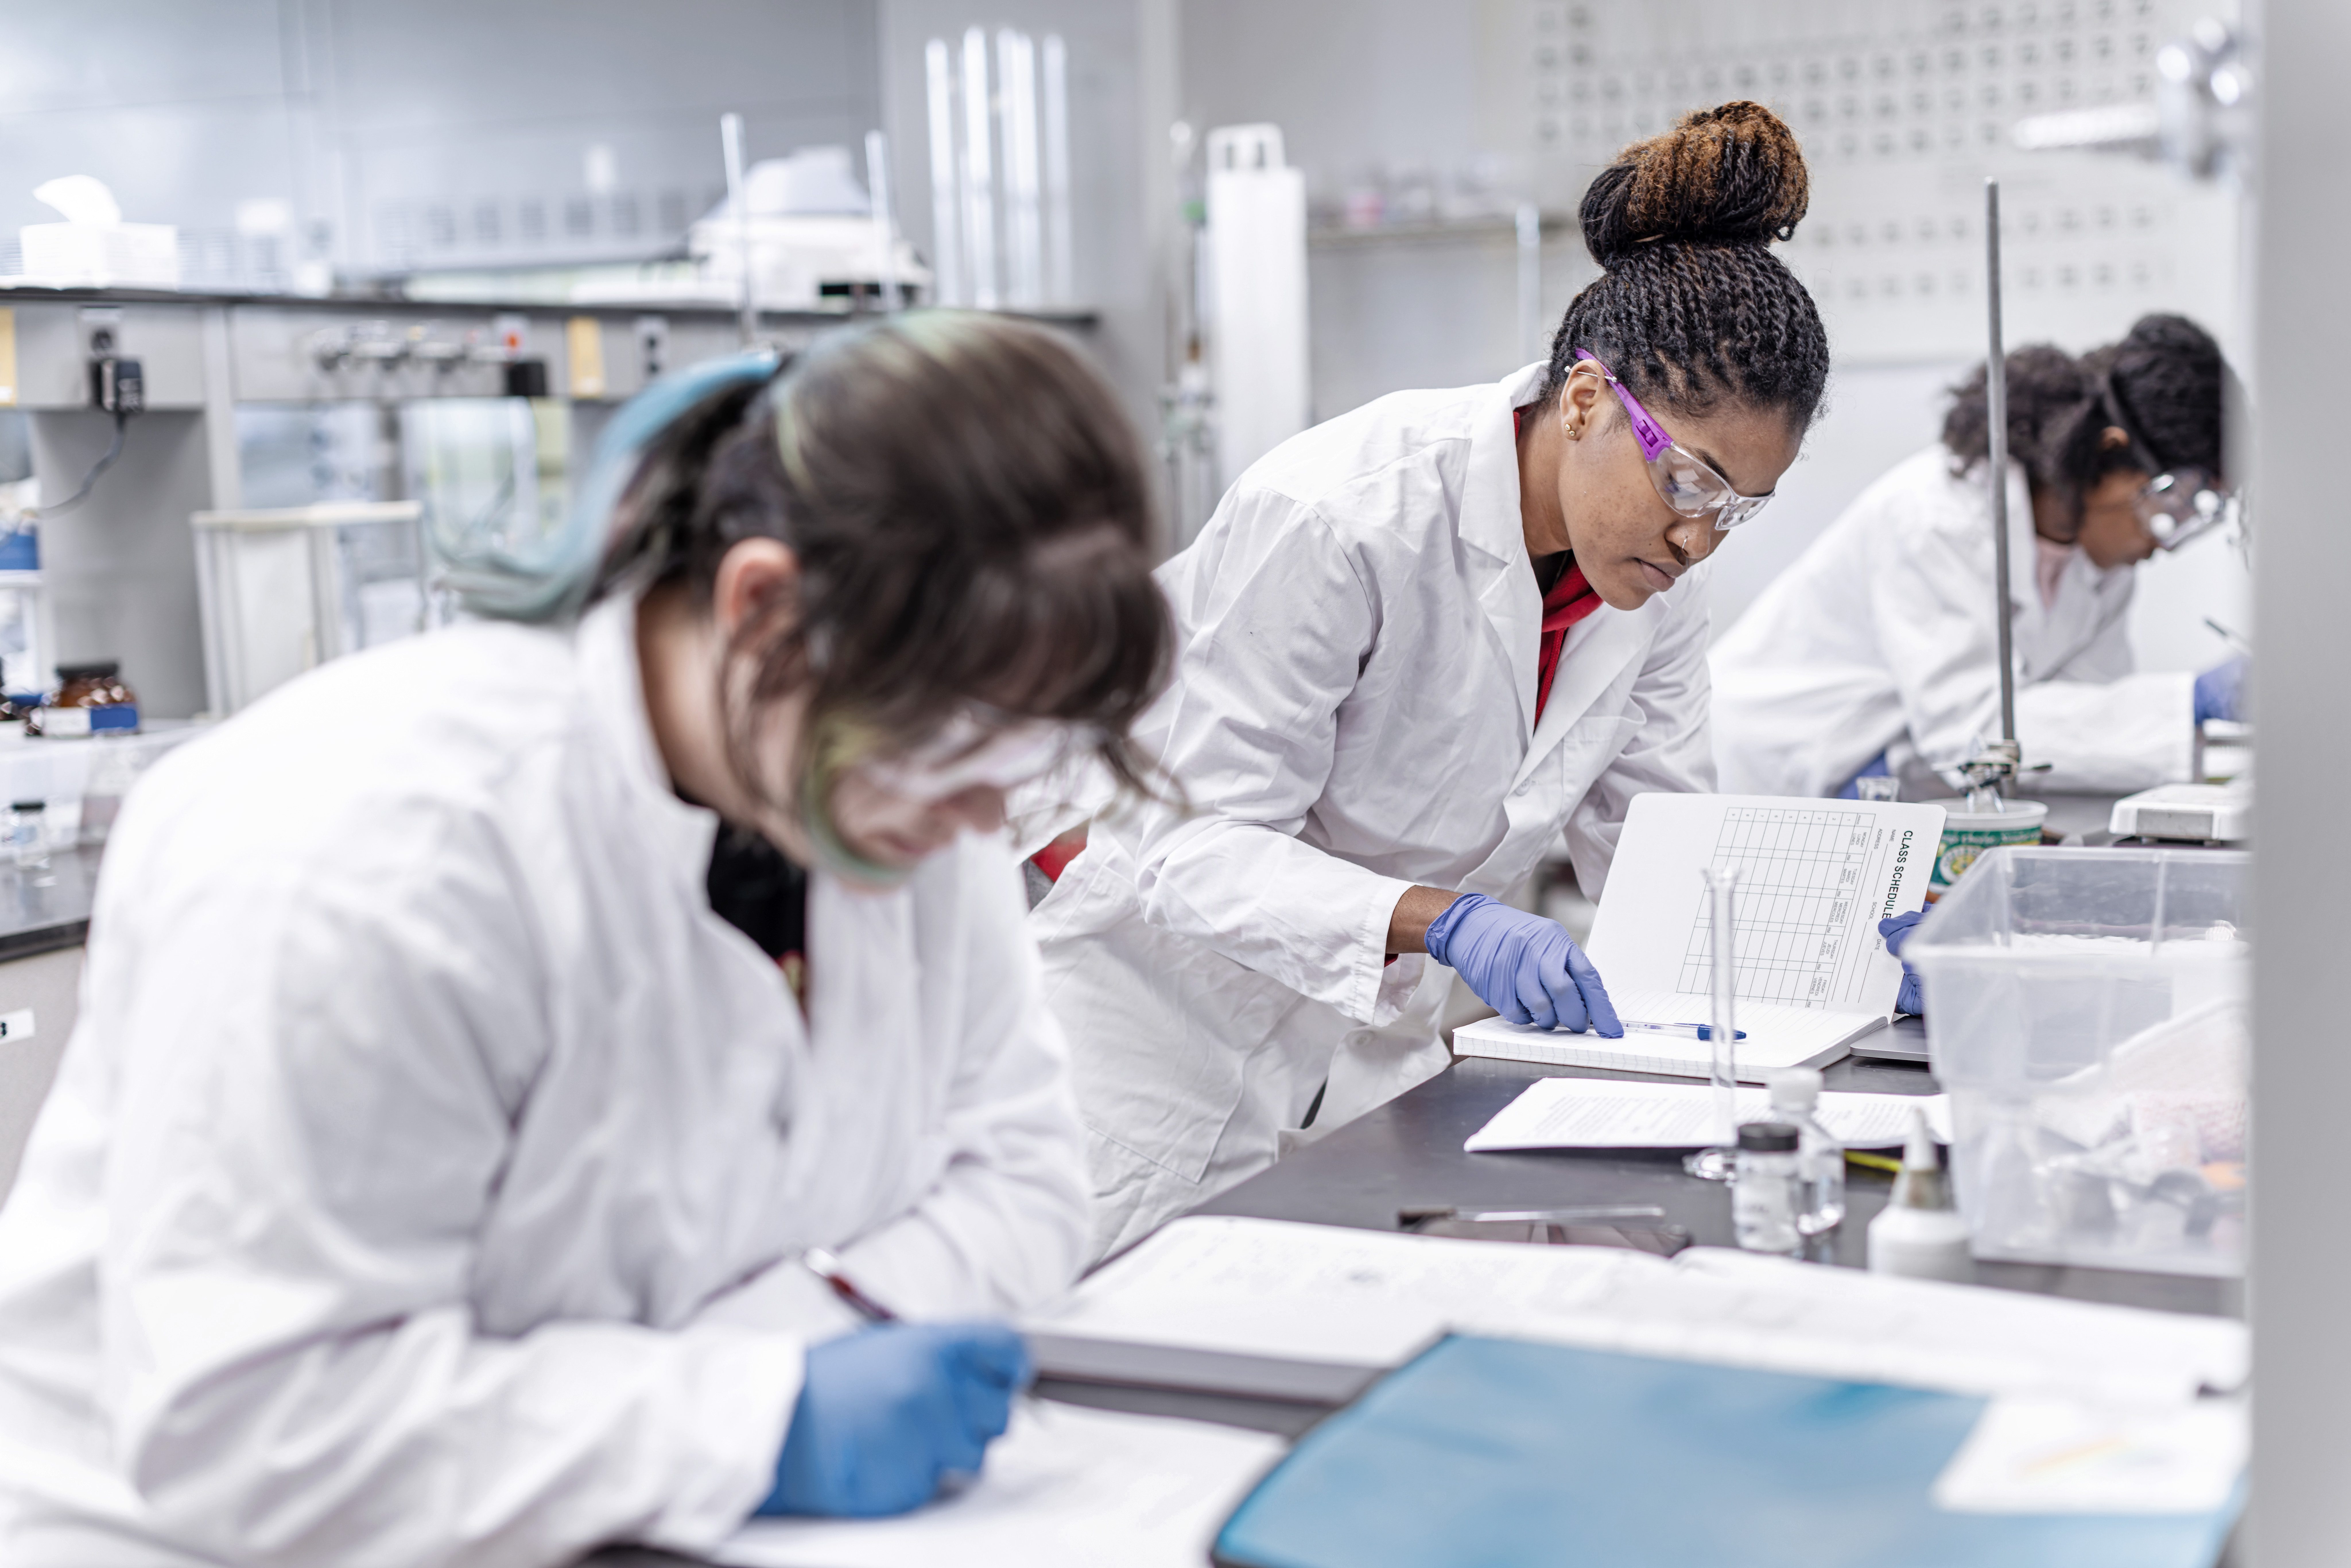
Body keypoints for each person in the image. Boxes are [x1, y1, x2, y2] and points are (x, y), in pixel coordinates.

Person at [0, 314, 1171, 1565]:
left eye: (1029, 749)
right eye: (965, 738)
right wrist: (748, 1415)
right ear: (765, 610)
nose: (990, 816)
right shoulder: (367, 852)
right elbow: (262, 1429)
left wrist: (748, 1365)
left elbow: (1025, 1181)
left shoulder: (890, 790)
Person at [1022, 102, 1830, 1260]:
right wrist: (1441, 920)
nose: (1700, 539)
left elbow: (1657, 847)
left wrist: (1831, 955)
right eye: (1690, 485)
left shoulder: (1653, 587)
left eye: (1738, 509)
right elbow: (1193, 849)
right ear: (1588, 401)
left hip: (1371, 1060)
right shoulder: (1344, 514)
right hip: (1164, 1037)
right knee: (1130, 1335)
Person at [1711, 314, 2245, 802]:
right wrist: (2191, 700)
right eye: (2174, 503)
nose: (2167, 541)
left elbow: (2091, 733)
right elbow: (1972, 730)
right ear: (2108, 452)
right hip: (1776, 769)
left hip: (1885, 781)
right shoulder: (1937, 518)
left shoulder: (2102, 570)